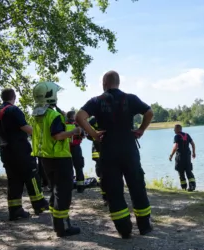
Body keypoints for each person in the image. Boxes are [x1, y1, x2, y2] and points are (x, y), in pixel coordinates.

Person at [76, 70, 154, 239]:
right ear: (118, 83)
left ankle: (124, 228)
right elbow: (149, 112)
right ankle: (144, 226)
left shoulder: (97, 101)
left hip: (108, 149)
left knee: (113, 189)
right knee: (137, 185)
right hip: (129, 148)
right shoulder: (130, 98)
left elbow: (79, 117)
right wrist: (141, 130)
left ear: (104, 83)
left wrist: (94, 134)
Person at [31, 81, 81, 237]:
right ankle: (62, 228)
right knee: (63, 192)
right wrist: (75, 131)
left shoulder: (38, 114)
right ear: (51, 95)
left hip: (46, 158)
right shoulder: (54, 115)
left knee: (55, 191)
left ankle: (57, 224)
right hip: (59, 158)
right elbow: (57, 135)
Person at [0, 88, 49, 220]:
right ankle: (39, 204)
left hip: (5, 150)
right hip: (20, 149)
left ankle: (15, 209)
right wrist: (40, 133)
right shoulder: (13, 110)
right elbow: (25, 127)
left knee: (14, 180)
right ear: (14, 97)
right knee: (32, 175)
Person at [86, 116, 107, 205]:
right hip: (98, 151)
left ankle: (113, 195)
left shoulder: (110, 116)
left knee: (114, 173)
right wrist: (96, 136)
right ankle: (105, 197)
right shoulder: (93, 121)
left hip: (110, 149)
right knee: (102, 175)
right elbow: (88, 134)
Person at [169, 125, 196, 191]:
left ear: (178, 129)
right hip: (187, 156)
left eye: (174, 129)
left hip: (180, 156)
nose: (174, 130)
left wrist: (171, 155)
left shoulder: (177, 136)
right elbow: (193, 144)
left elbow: (175, 146)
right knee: (188, 171)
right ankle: (192, 186)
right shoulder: (187, 135)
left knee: (181, 172)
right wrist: (193, 152)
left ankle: (184, 187)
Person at [66, 110, 86, 193]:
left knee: (69, 168)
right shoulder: (77, 124)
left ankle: (69, 187)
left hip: (67, 148)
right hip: (75, 148)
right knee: (78, 167)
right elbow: (83, 135)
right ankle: (80, 187)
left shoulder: (64, 124)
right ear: (72, 116)